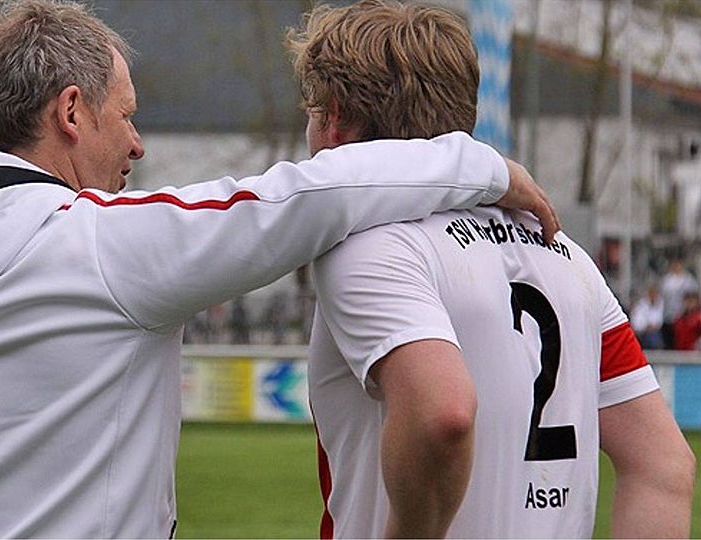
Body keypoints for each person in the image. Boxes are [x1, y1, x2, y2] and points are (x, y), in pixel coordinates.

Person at [0, 0, 558, 537]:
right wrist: (482, 165)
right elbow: (307, 194)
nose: (136, 145)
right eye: (126, 115)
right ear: (71, 113)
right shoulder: (101, 244)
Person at [290, 2, 696, 538]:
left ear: (334, 117)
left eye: (312, 111)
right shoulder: (566, 255)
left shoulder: (369, 245)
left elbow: (444, 415)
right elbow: (663, 465)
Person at [661, 258, 699, 348]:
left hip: (682, 312)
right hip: (669, 314)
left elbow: (692, 294)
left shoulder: (687, 279)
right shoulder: (667, 280)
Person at [630, 283, 664, 349]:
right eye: (652, 294)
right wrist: (645, 326)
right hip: (641, 331)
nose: (653, 296)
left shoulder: (659, 303)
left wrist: (652, 326)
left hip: (653, 332)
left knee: (654, 337)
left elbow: (659, 321)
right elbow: (636, 321)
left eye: (655, 294)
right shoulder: (641, 305)